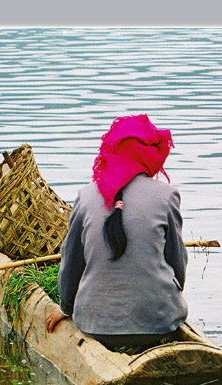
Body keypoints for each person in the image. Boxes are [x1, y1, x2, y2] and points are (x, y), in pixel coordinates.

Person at [44, 114, 188, 350]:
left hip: (94, 324)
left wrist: (65, 308)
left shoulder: (86, 195)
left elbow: (71, 263)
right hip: (159, 323)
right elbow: (177, 265)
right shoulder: (167, 195)